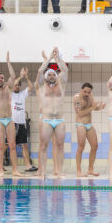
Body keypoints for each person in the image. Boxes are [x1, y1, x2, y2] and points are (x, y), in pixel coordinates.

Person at [36, 47, 68, 178]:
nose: (51, 76)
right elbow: (39, 71)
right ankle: (43, 171)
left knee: (60, 146)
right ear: (45, 77)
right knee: (44, 145)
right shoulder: (41, 87)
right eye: (49, 74)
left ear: (56, 76)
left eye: (53, 74)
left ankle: (59, 172)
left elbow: (65, 70)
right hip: (46, 119)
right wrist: (49, 58)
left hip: (60, 120)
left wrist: (57, 58)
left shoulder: (62, 85)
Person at [0, 52, 22, 177]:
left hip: (9, 119)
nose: (0, 79)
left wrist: (8, 62)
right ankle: (1, 170)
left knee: (12, 145)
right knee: (1, 146)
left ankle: (15, 170)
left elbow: (13, 76)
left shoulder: (8, 87)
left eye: (2, 78)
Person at [73, 83, 105, 177]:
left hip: (89, 124)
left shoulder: (91, 97)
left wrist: (100, 107)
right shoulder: (77, 98)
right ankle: (79, 171)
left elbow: (95, 108)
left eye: (89, 92)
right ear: (81, 90)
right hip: (80, 124)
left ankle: (90, 170)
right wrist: (92, 107)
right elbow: (80, 113)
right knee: (81, 146)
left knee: (95, 146)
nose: (87, 94)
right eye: (85, 92)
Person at [12, 67, 37, 172]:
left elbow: (31, 87)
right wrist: (20, 76)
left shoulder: (22, 94)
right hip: (11, 124)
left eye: (18, 85)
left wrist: (26, 77)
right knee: (6, 145)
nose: (17, 86)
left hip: (21, 123)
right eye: (15, 85)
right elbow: (14, 82)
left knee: (24, 145)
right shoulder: (9, 94)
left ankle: (28, 165)